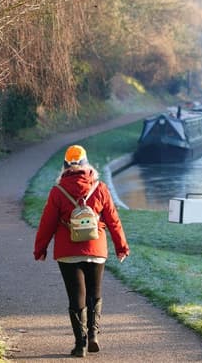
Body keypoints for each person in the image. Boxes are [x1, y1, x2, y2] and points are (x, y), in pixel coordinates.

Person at [34, 145, 130, 357]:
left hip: (68, 252)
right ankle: (94, 335)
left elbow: (47, 223)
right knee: (95, 293)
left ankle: (80, 344)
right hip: (96, 249)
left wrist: (40, 249)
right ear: (87, 165)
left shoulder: (58, 191)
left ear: (66, 166)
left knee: (76, 297)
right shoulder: (100, 188)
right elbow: (114, 220)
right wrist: (121, 247)